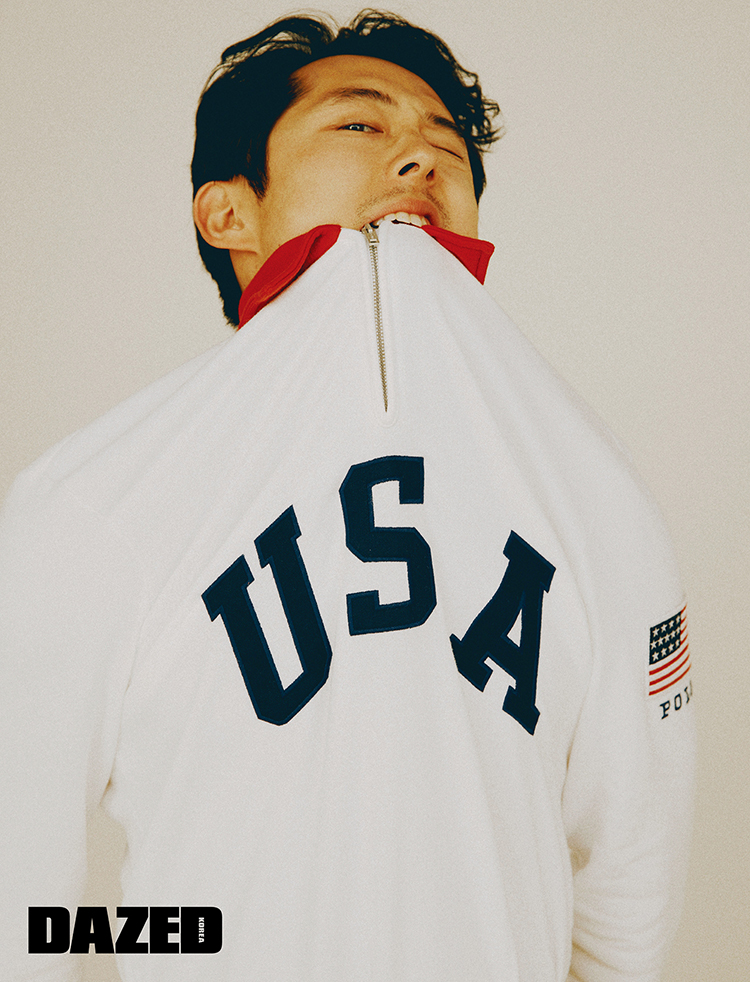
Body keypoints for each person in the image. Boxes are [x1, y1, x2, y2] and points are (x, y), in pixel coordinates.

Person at [0, 10, 694, 982]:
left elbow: (630, 887)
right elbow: (20, 899)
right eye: (360, 124)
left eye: (446, 140)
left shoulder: (597, 493)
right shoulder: (93, 501)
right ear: (227, 213)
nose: (421, 155)